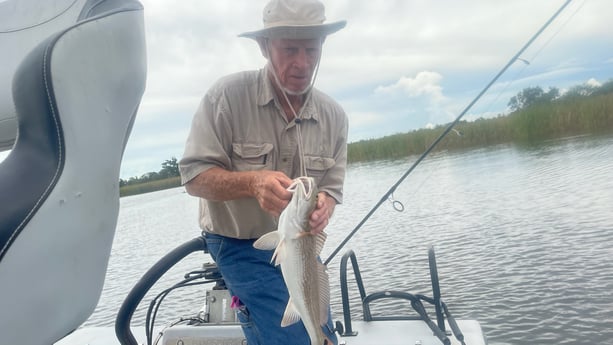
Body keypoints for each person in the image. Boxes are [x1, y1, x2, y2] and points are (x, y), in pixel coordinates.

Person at [179, 0, 348, 344]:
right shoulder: (226, 97)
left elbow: (331, 186)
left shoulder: (334, 116)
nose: (302, 63)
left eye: (311, 49)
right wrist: (252, 183)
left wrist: (325, 205)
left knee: (320, 332)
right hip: (236, 242)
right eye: (289, 49)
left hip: (301, 245)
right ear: (264, 46)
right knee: (293, 337)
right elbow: (194, 176)